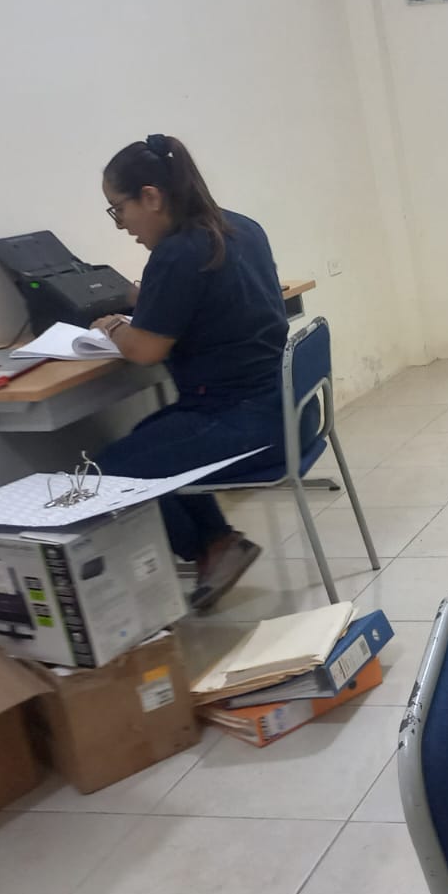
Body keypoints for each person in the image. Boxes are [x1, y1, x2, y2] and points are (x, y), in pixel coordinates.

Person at [93, 134, 289, 611]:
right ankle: (218, 543)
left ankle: (208, 548)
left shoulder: (176, 253)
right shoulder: (240, 227)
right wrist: (150, 296)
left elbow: (145, 350)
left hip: (239, 422)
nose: (122, 225)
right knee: (148, 438)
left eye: (118, 209)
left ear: (151, 197)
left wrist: (112, 325)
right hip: (280, 409)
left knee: (109, 471)